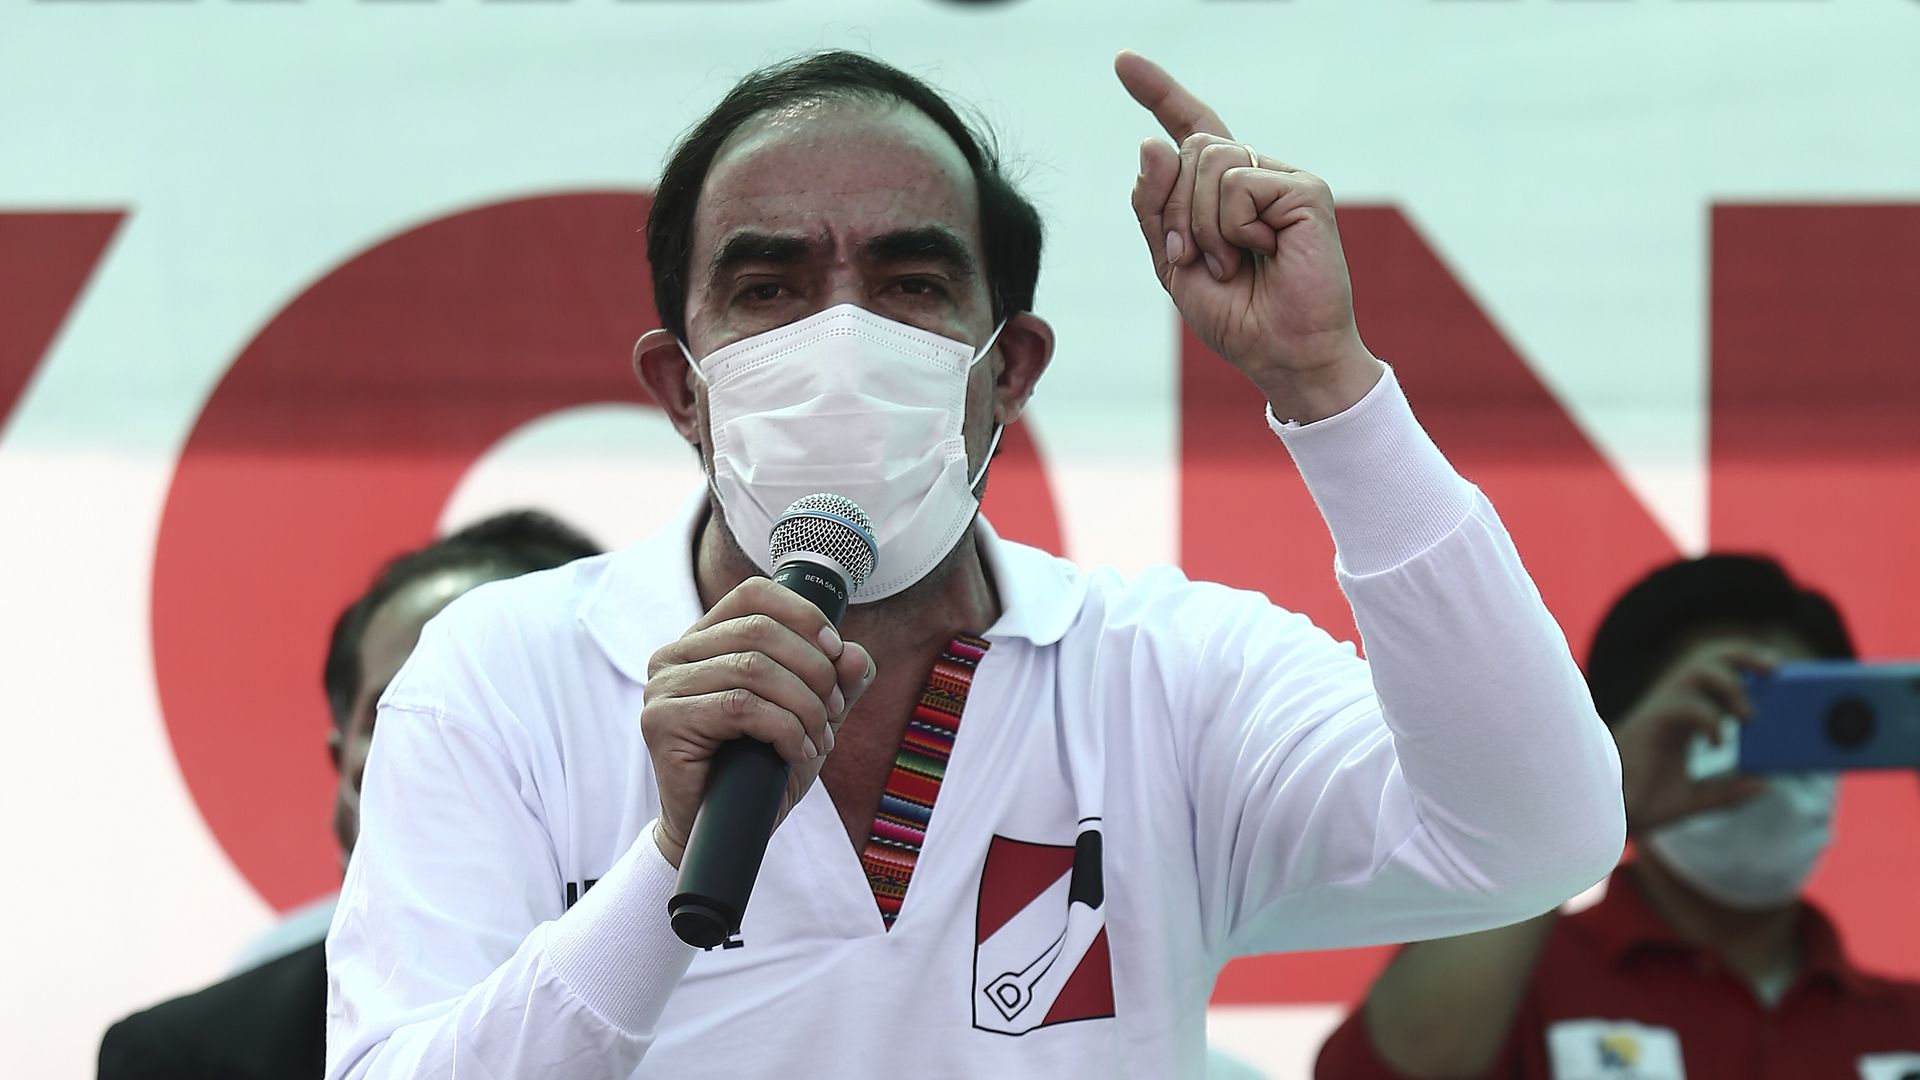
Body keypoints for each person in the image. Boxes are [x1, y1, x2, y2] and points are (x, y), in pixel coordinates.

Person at [325, 50, 1626, 1079]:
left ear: (1007, 369)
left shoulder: (1164, 675)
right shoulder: (504, 676)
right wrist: (668, 859)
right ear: (682, 385)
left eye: (907, 282)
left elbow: (1536, 837)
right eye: (772, 289)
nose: (841, 336)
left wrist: (1328, 388)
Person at [1314, 554, 1920, 1079]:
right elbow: (1383, 1070)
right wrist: (1594, 800)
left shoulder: (1900, 1024)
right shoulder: (1514, 986)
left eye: (1805, 720)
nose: (1763, 765)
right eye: (1721, 714)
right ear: (1621, 730)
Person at [98, 511, 599, 1080]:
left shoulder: (711, 996)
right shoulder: (185, 1058)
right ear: (345, 776)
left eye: (498, 714)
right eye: (402, 719)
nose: (449, 759)